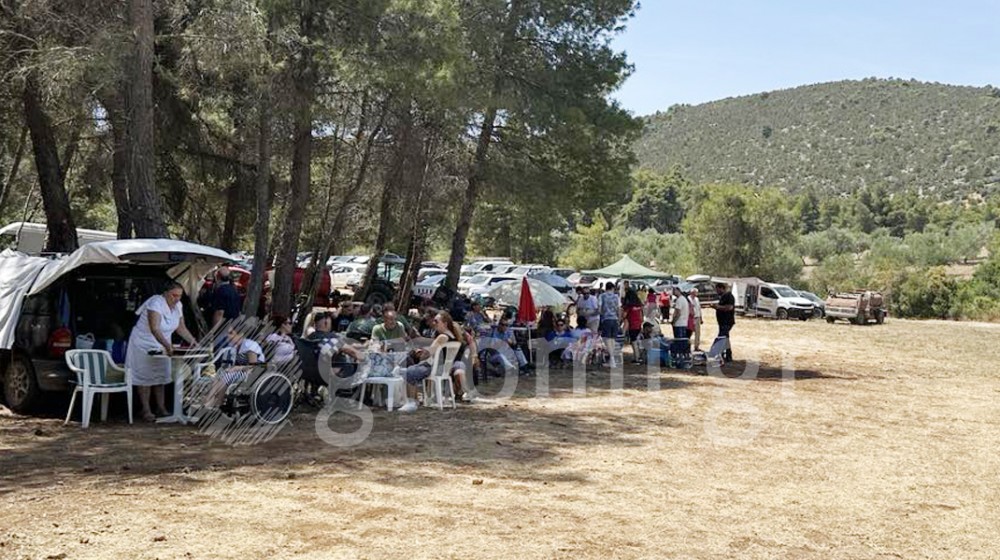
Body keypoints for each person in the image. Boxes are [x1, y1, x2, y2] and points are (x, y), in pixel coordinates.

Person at [126, 282, 198, 422]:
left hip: (162, 343)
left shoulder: (178, 306)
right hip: (144, 342)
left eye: (179, 296)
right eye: (174, 295)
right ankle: (146, 410)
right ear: (165, 293)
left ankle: (161, 408)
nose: (176, 298)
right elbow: (155, 328)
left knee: (161, 375)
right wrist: (167, 345)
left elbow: (181, 328)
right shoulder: (155, 303)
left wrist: (193, 342)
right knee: (144, 376)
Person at [395, 311, 469, 412]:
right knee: (410, 370)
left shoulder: (442, 337)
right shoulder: (454, 337)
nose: (434, 323)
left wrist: (420, 352)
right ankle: (414, 400)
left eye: (436, 321)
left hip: (434, 368)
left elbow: (428, 353)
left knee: (409, 372)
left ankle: (412, 402)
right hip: (443, 369)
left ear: (445, 323)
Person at [207, 326, 264, 408]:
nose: (228, 336)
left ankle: (211, 402)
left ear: (240, 334)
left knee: (226, 377)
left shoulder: (249, 345)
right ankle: (215, 402)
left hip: (254, 373)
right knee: (221, 373)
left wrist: (236, 368)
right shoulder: (237, 346)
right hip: (243, 371)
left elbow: (254, 365)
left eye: (231, 333)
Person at [597, 281, 622, 367]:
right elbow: (619, 308)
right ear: (612, 288)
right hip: (615, 319)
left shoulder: (602, 296)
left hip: (606, 319)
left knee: (606, 339)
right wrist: (619, 319)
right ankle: (612, 359)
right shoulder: (616, 296)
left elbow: (599, 309)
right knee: (612, 339)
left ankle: (612, 359)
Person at [711, 283, 736, 363]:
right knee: (725, 339)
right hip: (722, 322)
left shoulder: (729, 296)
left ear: (722, 288)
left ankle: (718, 354)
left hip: (727, 321)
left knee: (721, 337)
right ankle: (728, 356)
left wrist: (719, 307)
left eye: (717, 289)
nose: (717, 291)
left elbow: (730, 307)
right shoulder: (722, 297)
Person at [623, 294, 644, 364]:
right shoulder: (639, 306)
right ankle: (638, 356)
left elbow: (624, 315)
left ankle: (637, 358)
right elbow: (641, 317)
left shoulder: (629, 307)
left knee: (633, 342)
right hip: (638, 325)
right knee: (636, 341)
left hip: (632, 325)